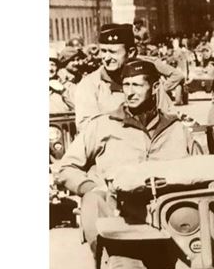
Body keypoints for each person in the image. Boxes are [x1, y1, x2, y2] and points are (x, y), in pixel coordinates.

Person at [56, 60, 189, 254]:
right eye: (126, 85)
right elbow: (67, 168)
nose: (130, 92)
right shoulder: (102, 125)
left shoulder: (177, 129)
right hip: (119, 221)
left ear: (154, 88)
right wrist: (91, 188)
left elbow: (199, 171)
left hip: (174, 219)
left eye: (137, 85)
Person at [74, 23, 184, 132]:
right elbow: (87, 128)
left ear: (131, 52)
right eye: (103, 51)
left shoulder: (148, 82)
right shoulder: (89, 85)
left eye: (113, 52)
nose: (106, 58)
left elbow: (169, 118)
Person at [50, 48, 75, 113]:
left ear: (57, 67)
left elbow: (81, 108)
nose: (50, 68)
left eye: (52, 64)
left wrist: (63, 91)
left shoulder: (68, 86)